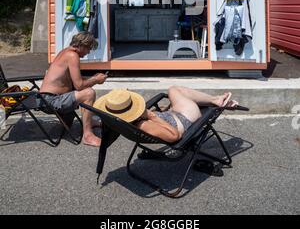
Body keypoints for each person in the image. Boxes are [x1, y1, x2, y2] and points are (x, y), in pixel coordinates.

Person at [94, 86, 238, 143]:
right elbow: (175, 136)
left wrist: (159, 114)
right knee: (174, 90)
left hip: (172, 114)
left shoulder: (118, 121)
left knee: (174, 92)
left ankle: (214, 100)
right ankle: (216, 100)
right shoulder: (143, 124)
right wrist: (152, 116)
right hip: (184, 117)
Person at [40, 31, 108, 147]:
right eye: (88, 48)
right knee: (89, 93)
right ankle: (88, 136)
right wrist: (96, 80)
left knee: (84, 93)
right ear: (82, 45)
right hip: (51, 100)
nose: (88, 52)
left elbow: (75, 79)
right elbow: (79, 85)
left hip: (47, 98)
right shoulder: (73, 56)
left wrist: (93, 78)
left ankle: (89, 121)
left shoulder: (65, 52)